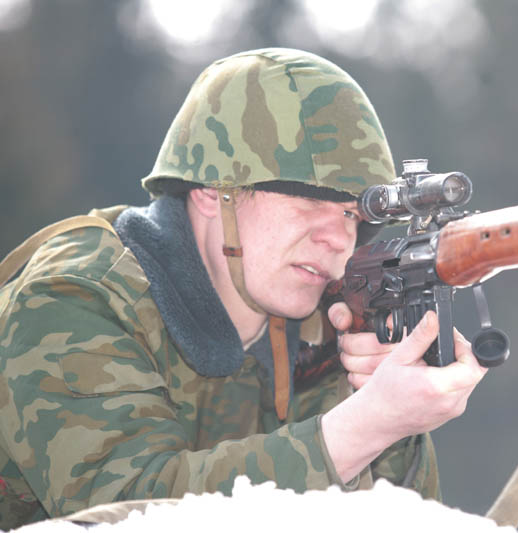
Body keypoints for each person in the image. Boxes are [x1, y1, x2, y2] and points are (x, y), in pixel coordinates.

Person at [0, 48, 487, 530]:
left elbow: (407, 519)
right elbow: (128, 512)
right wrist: (367, 423)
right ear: (212, 193)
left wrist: (395, 417)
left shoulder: (330, 326)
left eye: (351, 214)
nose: (339, 238)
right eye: (307, 202)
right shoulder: (72, 299)